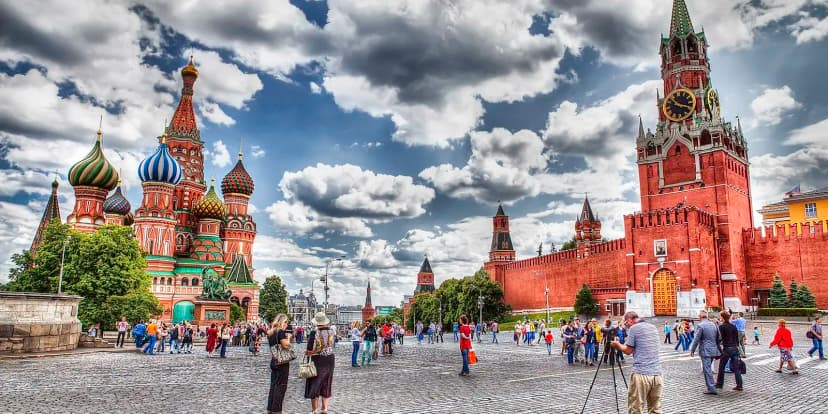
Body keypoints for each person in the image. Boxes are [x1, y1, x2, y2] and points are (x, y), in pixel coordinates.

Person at [610, 311, 662, 414]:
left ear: (629, 321)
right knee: (655, 409)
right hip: (657, 374)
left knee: (636, 408)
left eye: (626, 324)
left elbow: (628, 350)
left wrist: (617, 345)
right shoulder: (653, 327)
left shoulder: (634, 328)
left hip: (641, 374)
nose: (626, 327)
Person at [305, 312, 335, 414]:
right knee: (327, 382)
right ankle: (325, 408)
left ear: (317, 322)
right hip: (330, 359)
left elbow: (309, 349)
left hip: (318, 360)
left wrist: (308, 353)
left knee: (314, 382)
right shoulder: (331, 331)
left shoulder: (314, 332)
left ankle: (315, 410)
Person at [689, 310, 721, 395]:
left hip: (705, 350)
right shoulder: (713, 324)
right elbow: (719, 337)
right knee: (708, 368)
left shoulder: (701, 325)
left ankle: (711, 388)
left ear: (700, 317)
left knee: (707, 370)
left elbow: (696, 339)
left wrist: (692, 349)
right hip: (713, 350)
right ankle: (712, 385)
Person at [267, 314, 292, 414]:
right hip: (282, 361)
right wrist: (289, 338)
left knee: (273, 385)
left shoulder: (271, 332)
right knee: (281, 386)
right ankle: (277, 410)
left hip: (274, 360)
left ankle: (270, 408)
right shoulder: (280, 332)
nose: (287, 324)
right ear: (281, 322)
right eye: (286, 322)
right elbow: (285, 345)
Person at [715, 311, 743, 392]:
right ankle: (739, 385)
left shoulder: (722, 327)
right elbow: (737, 339)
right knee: (736, 368)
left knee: (721, 367)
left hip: (727, 348)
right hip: (734, 348)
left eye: (720, 317)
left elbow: (719, 339)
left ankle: (720, 384)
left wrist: (719, 349)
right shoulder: (733, 326)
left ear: (722, 318)